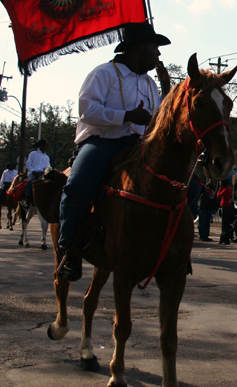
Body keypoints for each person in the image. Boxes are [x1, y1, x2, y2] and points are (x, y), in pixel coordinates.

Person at [57, 21, 171, 282]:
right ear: (140, 48)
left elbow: (157, 120)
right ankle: (69, 249)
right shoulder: (103, 73)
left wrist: (166, 90)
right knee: (77, 185)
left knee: (184, 183)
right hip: (103, 142)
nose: (159, 55)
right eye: (156, 48)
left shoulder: (150, 84)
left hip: (137, 146)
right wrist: (126, 116)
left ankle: (170, 248)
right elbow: (87, 110)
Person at [24, 139, 50, 207]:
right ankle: (28, 199)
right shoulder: (33, 154)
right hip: (33, 172)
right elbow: (28, 164)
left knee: (49, 183)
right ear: (39, 146)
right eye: (43, 145)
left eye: (45, 145)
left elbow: (48, 166)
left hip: (42, 173)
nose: (44, 147)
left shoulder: (47, 157)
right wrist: (32, 170)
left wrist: (47, 170)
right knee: (30, 181)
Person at [218, 180, 235, 245]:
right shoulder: (229, 188)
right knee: (225, 224)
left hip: (225, 206)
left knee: (225, 225)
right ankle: (223, 238)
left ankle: (225, 239)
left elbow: (218, 195)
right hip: (226, 206)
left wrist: (220, 188)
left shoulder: (226, 189)